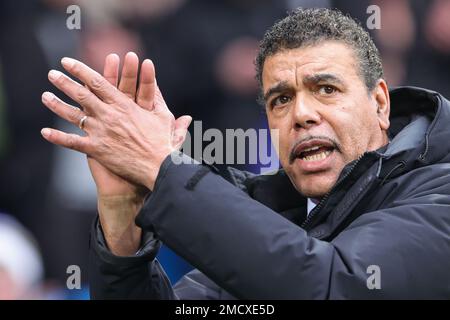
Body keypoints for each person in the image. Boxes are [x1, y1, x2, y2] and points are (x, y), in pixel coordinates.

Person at [40, 8, 450, 299]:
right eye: (281, 100)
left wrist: (163, 168)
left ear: (380, 103)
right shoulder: (275, 219)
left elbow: (327, 284)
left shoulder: (439, 190)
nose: (302, 115)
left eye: (326, 89)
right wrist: (121, 220)